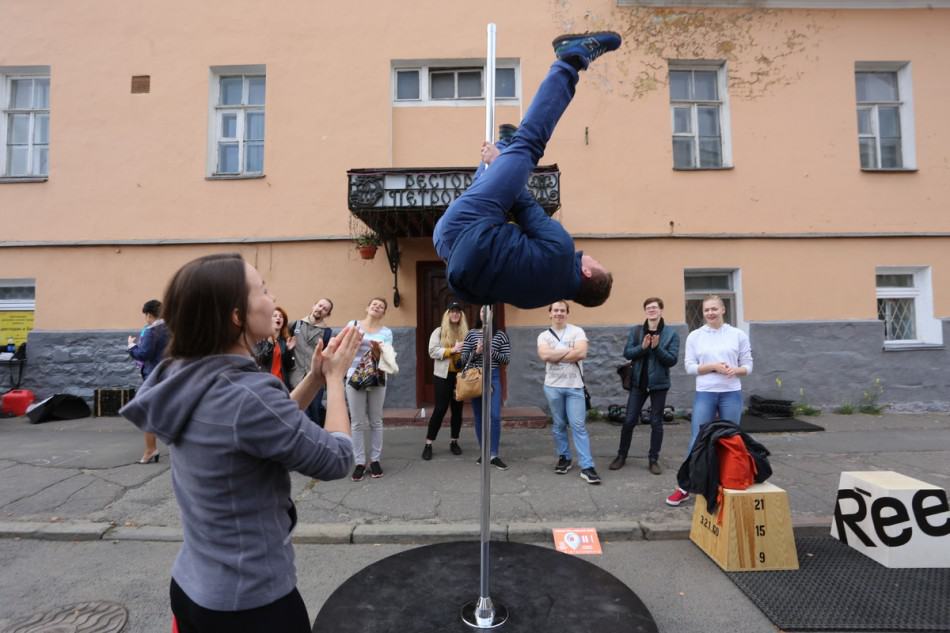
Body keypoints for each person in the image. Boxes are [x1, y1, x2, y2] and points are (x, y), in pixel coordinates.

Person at [120, 253, 361, 632]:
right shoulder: (247, 394)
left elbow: (265, 425)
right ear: (236, 317)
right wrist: (334, 379)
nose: (272, 296)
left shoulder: (185, 374)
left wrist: (313, 378)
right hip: (250, 604)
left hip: (192, 587)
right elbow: (337, 458)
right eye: (263, 290)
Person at [432, 32, 621, 310]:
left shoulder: (561, 251)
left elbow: (525, 207)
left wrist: (500, 163)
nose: (591, 257)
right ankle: (505, 145)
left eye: (596, 263)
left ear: (588, 273)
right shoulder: (537, 300)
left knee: (530, 143)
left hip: (468, 226)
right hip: (446, 245)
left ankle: (571, 60)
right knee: (491, 193)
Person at [666, 295, 753, 506]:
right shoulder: (696, 336)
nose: (710, 313)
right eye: (706, 310)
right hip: (705, 393)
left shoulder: (737, 334)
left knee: (730, 439)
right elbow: (690, 367)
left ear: (723, 309)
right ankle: (686, 486)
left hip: (730, 393)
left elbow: (748, 366)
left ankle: (727, 483)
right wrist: (713, 367)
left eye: (714, 309)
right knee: (698, 439)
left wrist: (736, 370)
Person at [610, 297, 680, 475]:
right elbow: (627, 353)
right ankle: (621, 456)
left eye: (655, 307)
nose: (652, 310)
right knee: (629, 420)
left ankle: (653, 459)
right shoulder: (636, 331)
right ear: (645, 311)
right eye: (648, 308)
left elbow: (672, 360)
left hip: (659, 384)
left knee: (656, 422)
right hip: (638, 383)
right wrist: (642, 347)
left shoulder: (671, 334)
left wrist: (656, 348)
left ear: (661, 310)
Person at [537, 301, 601, 484]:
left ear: (567, 313)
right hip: (552, 387)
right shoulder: (543, 335)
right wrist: (569, 351)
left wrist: (555, 354)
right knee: (559, 424)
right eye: (555, 310)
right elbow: (544, 356)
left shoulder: (577, 331)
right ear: (550, 313)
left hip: (574, 386)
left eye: (562, 310)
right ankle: (564, 457)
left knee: (578, 425)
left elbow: (581, 353)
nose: (559, 313)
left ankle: (587, 467)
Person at [347, 297, 394, 481]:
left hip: (377, 375)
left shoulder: (387, 332)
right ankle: (359, 462)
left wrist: (377, 351)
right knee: (357, 422)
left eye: (381, 306)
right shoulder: (353, 324)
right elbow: (344, 347)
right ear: (367, 307)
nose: (377, 307)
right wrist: (355, 343)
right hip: (354, 376)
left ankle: (375, 460)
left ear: (383, 313)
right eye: (374, 304)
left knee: (376, 420)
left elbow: (387, 356)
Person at [460, 314, 510, 470]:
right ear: (480, 314)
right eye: (483, 311)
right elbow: (462, 360)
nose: (485, 314)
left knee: (494, 415)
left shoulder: (500, 335)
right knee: (480, 416)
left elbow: (506, 359)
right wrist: (477, 351)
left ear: (493, 313)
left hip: (493, 376)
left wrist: (490, 351)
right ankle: (484, 452)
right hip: (475, 375)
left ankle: (493, 454)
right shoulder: (472, 334)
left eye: (489, 311)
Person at [422, 302, 469, 460]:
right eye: (452, 311)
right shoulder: (439, 331)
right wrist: (452, 350)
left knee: (457, 410)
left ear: (461, 315)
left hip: (459, 377)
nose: (455, 314)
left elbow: (469, 354)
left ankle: (454, 442)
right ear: (447, 314)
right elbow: (432, 351)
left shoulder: (465, 332)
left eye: (458, 312)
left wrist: (471, 351)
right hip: (443, 376)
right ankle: (428, 443)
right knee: (440, 409)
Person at [127, 299, 169, 464]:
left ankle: (151, 449)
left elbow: (144, 354)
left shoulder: (152, 331)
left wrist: (131, 346)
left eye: (146, 315)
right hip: (170, 373)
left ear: (149, 315)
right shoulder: (171, 328)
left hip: (154, 376)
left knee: (147, 412)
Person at [289, 298, 333, 426]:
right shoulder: (295, 325)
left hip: (314, 379)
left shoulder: (327, 332)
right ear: (314, 305)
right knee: (298, 412)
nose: (321, 309)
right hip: (295, 378)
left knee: (314, 414)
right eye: (320, 305)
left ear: (327, 314)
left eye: (325, 309)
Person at [253, 306, 295, 390]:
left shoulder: (284, 341)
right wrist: (268, 344)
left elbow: (289, 366)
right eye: (275, 316)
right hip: (264, 383)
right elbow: (258, 361)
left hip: (281, 384)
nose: (278, 318)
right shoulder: (260, 338)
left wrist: (289, 350)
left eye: (281, 316)